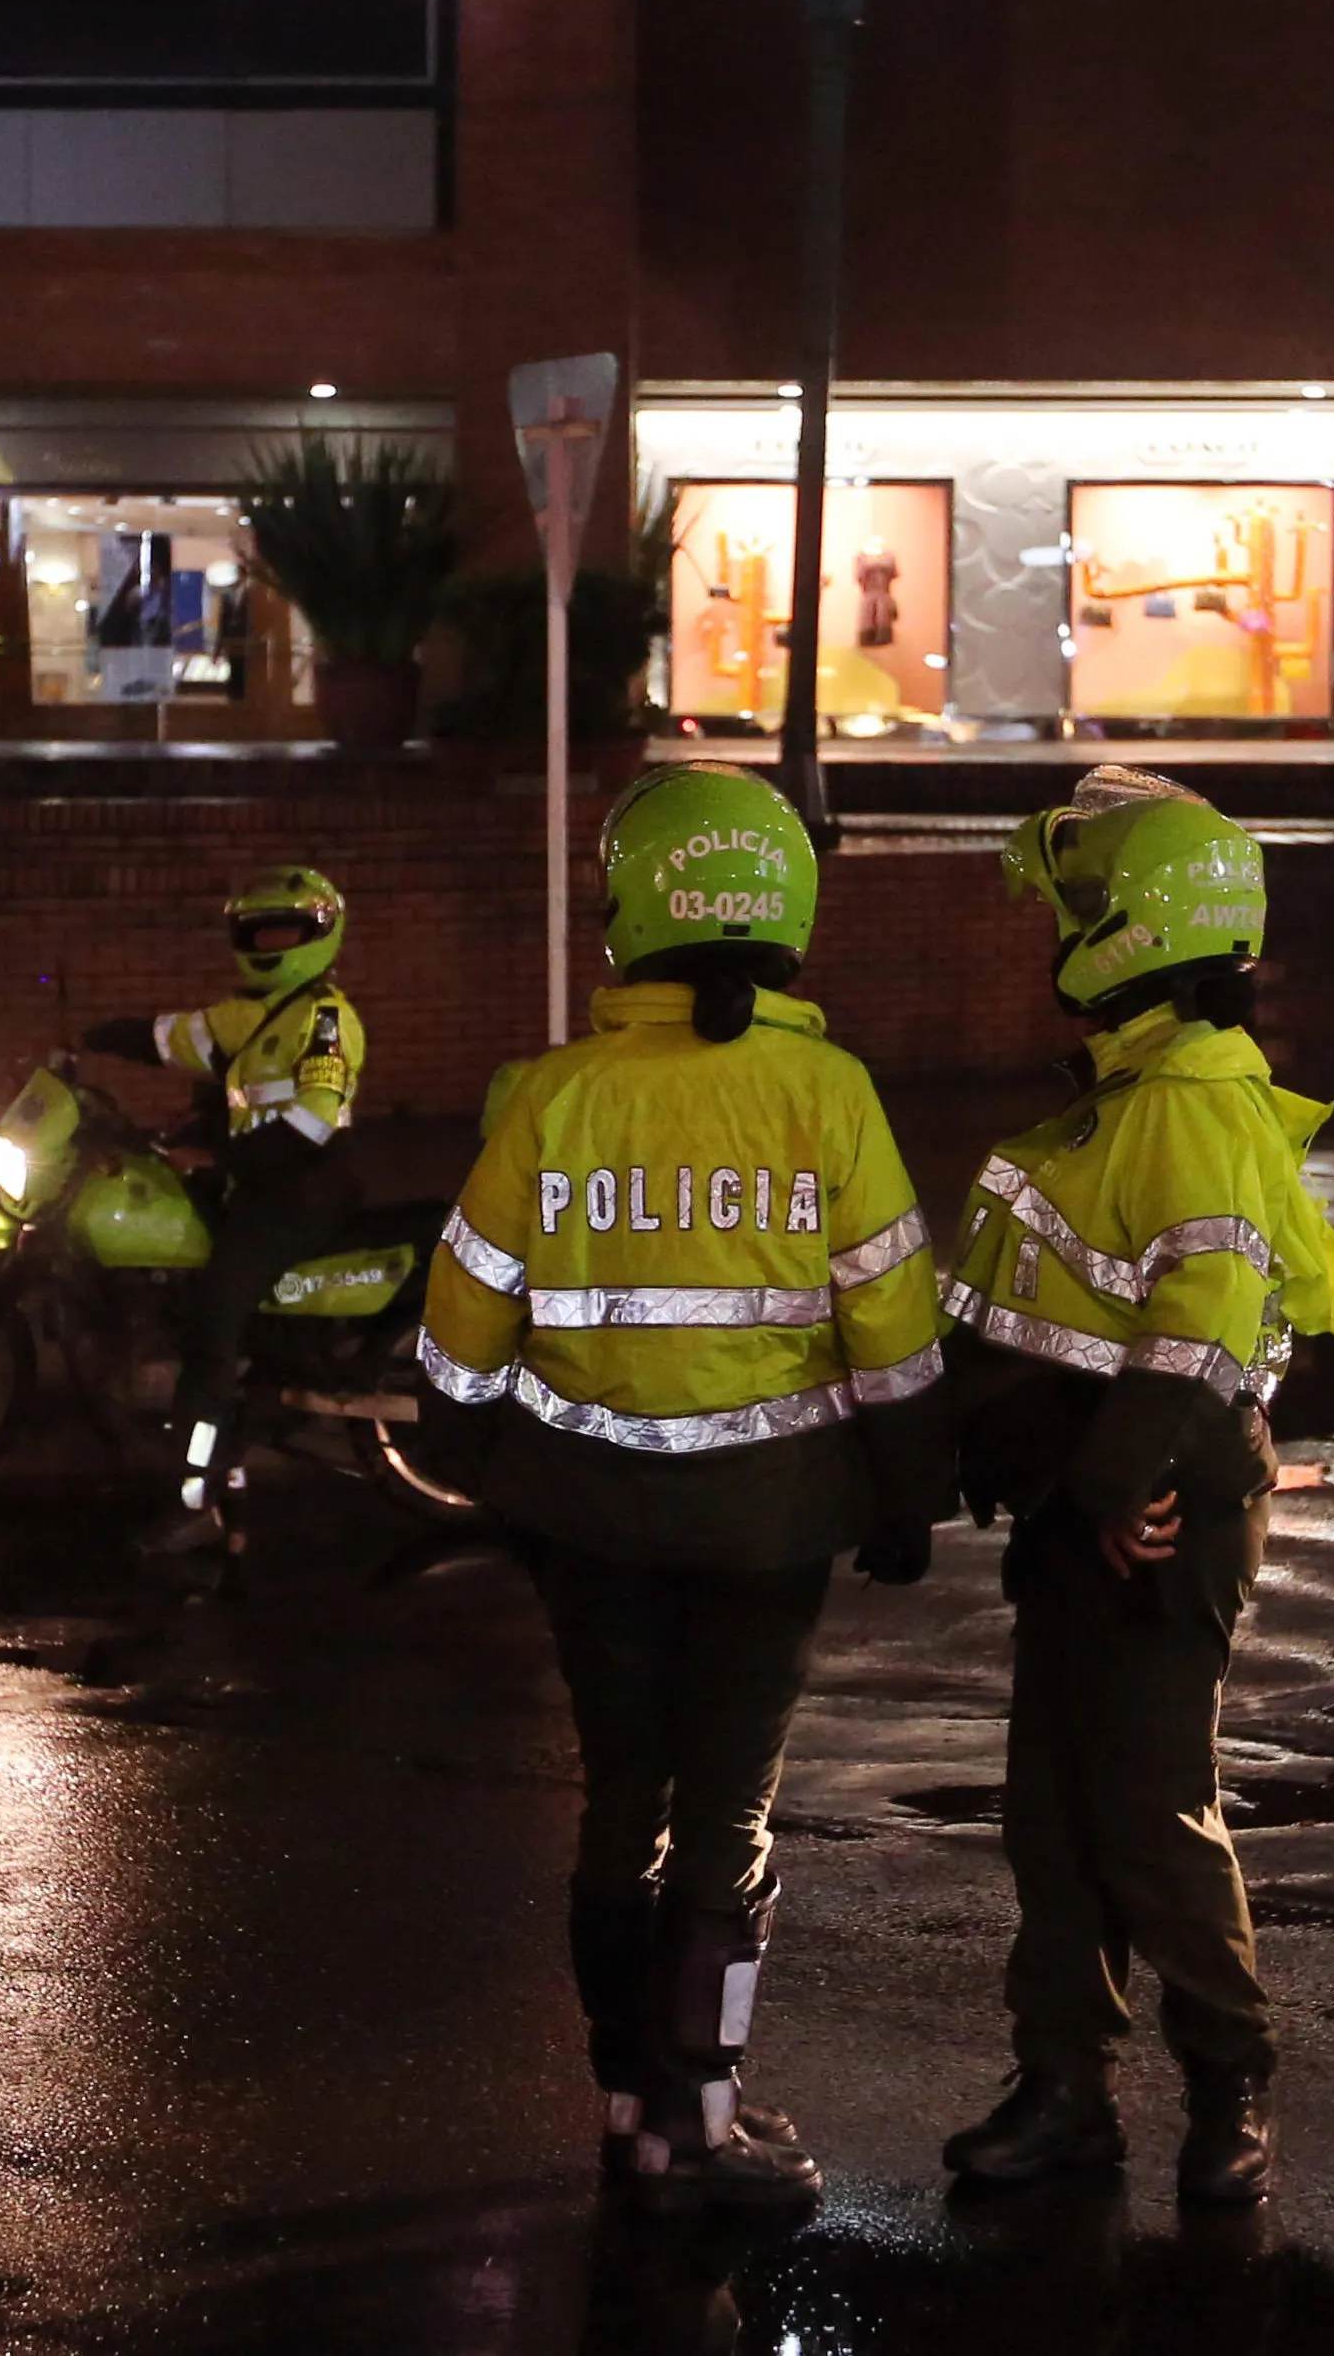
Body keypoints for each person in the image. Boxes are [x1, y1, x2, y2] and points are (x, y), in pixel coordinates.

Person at [412, 765, 953, 2213]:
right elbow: (891, 1326)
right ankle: (700, 2121)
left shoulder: (556, 1095)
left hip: (585, 1517)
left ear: (627, 916)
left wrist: (482, 1462)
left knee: (620, 1801)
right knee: (725, 1818)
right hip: (770, 1525)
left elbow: (463, 1316)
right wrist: (907, 1492)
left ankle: (628, 2105)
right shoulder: (828, 1094)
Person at [930, 770, 1334, 2211]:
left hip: (1157, 1505)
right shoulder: (1142, 1090)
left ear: (1138, 930)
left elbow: (1198, 1323)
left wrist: (1119, 1477)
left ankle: (1228, 2078)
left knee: (1145, 1811)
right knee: (1050, 1814)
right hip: (1094, 1500)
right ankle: (1065, 2086)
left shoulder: (1189, 1101)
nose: (1058, 930)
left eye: (1080, 906)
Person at [81, 865, 367, 1554]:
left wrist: (217, 1160)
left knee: (212, 1322)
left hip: (299, 1198)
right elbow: (167, 1036)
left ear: (319, 934)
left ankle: (193, 1502)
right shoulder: (254, 1012)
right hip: (259, 1190)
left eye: (285, 930)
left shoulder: (325, 1020)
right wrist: (86, 1040)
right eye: (259, 930)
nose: (270, 943)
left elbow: (311, 1125)